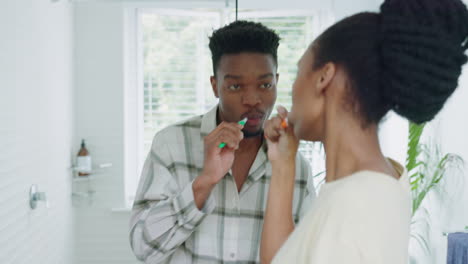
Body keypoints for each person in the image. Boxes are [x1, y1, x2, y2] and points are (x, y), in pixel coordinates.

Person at [260, 0, 468, 263]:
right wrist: (283, 164)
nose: (291, 91)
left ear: (324, 77)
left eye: (299, 71)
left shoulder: (359, 204)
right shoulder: (369, 183)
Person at [129, 20, 316, 263]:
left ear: (277, 81)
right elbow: (143, 248)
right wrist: (203, 183)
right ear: (215, 86)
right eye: (236, 86)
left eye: (265, 84)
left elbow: (305, 256)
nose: (252, 99)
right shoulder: (171, 145)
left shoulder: (295, 167)